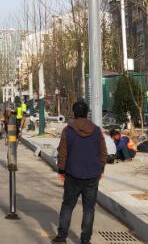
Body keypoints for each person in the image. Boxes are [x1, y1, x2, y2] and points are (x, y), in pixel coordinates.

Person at [52, 100, 107, 244]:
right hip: (92, 176)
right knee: (89, 209)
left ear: (74, 113)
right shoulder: (96, 130)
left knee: (68, 205)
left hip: (72, 175)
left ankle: (62, 237)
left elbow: (62, 152)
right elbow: (103, 152)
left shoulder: (68, 130)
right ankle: (85, 240)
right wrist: (101, 169)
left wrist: (61, 170)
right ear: (86, 113)